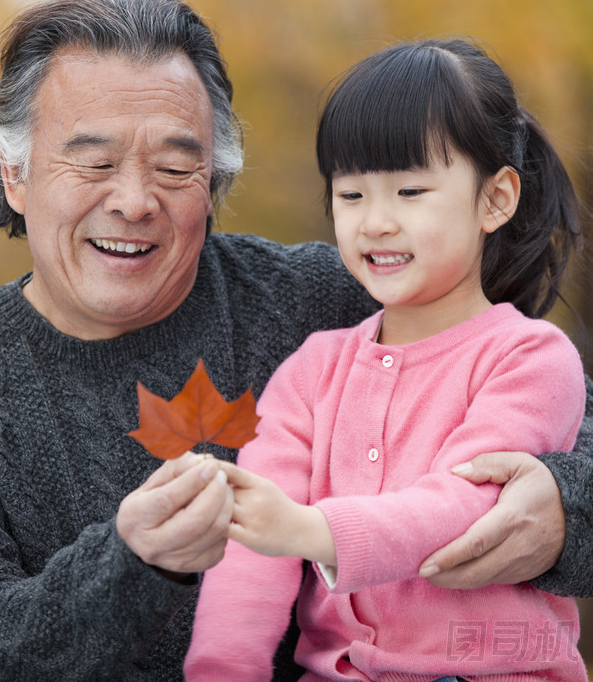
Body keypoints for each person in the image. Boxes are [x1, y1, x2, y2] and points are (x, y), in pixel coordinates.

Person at [0, 0, 589, 682]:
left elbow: (551, 402)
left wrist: (564, 511)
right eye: (94, 162)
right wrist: (127, 565)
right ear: (13, 173)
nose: (136, 200)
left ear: (214, 181)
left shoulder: (330, 300)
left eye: (175, 168)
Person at [185, 38, 589, 681]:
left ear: (496, 199)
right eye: (351, 196)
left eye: (409, 191)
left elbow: (467, 510)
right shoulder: (314, 370)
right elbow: (256, 545)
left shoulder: (530, 359)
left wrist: (313, 530)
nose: (375, 222)